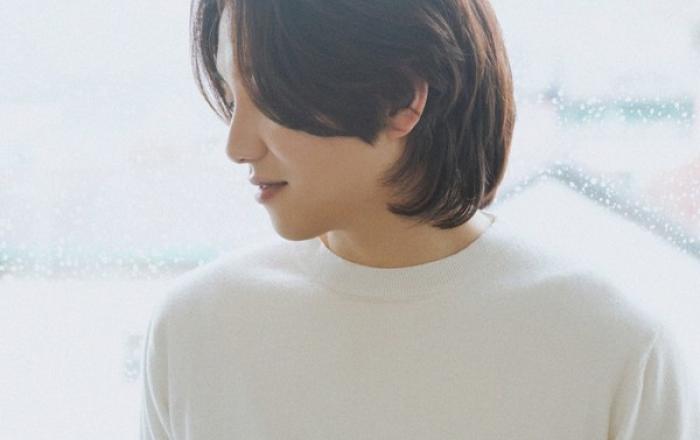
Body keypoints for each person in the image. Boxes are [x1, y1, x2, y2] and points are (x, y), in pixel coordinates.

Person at [139, 0, 700, 438]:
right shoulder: (196, 330)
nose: (237, 146)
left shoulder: (610, 346)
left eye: (266, 96)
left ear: (401, 98)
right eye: (230, 96)